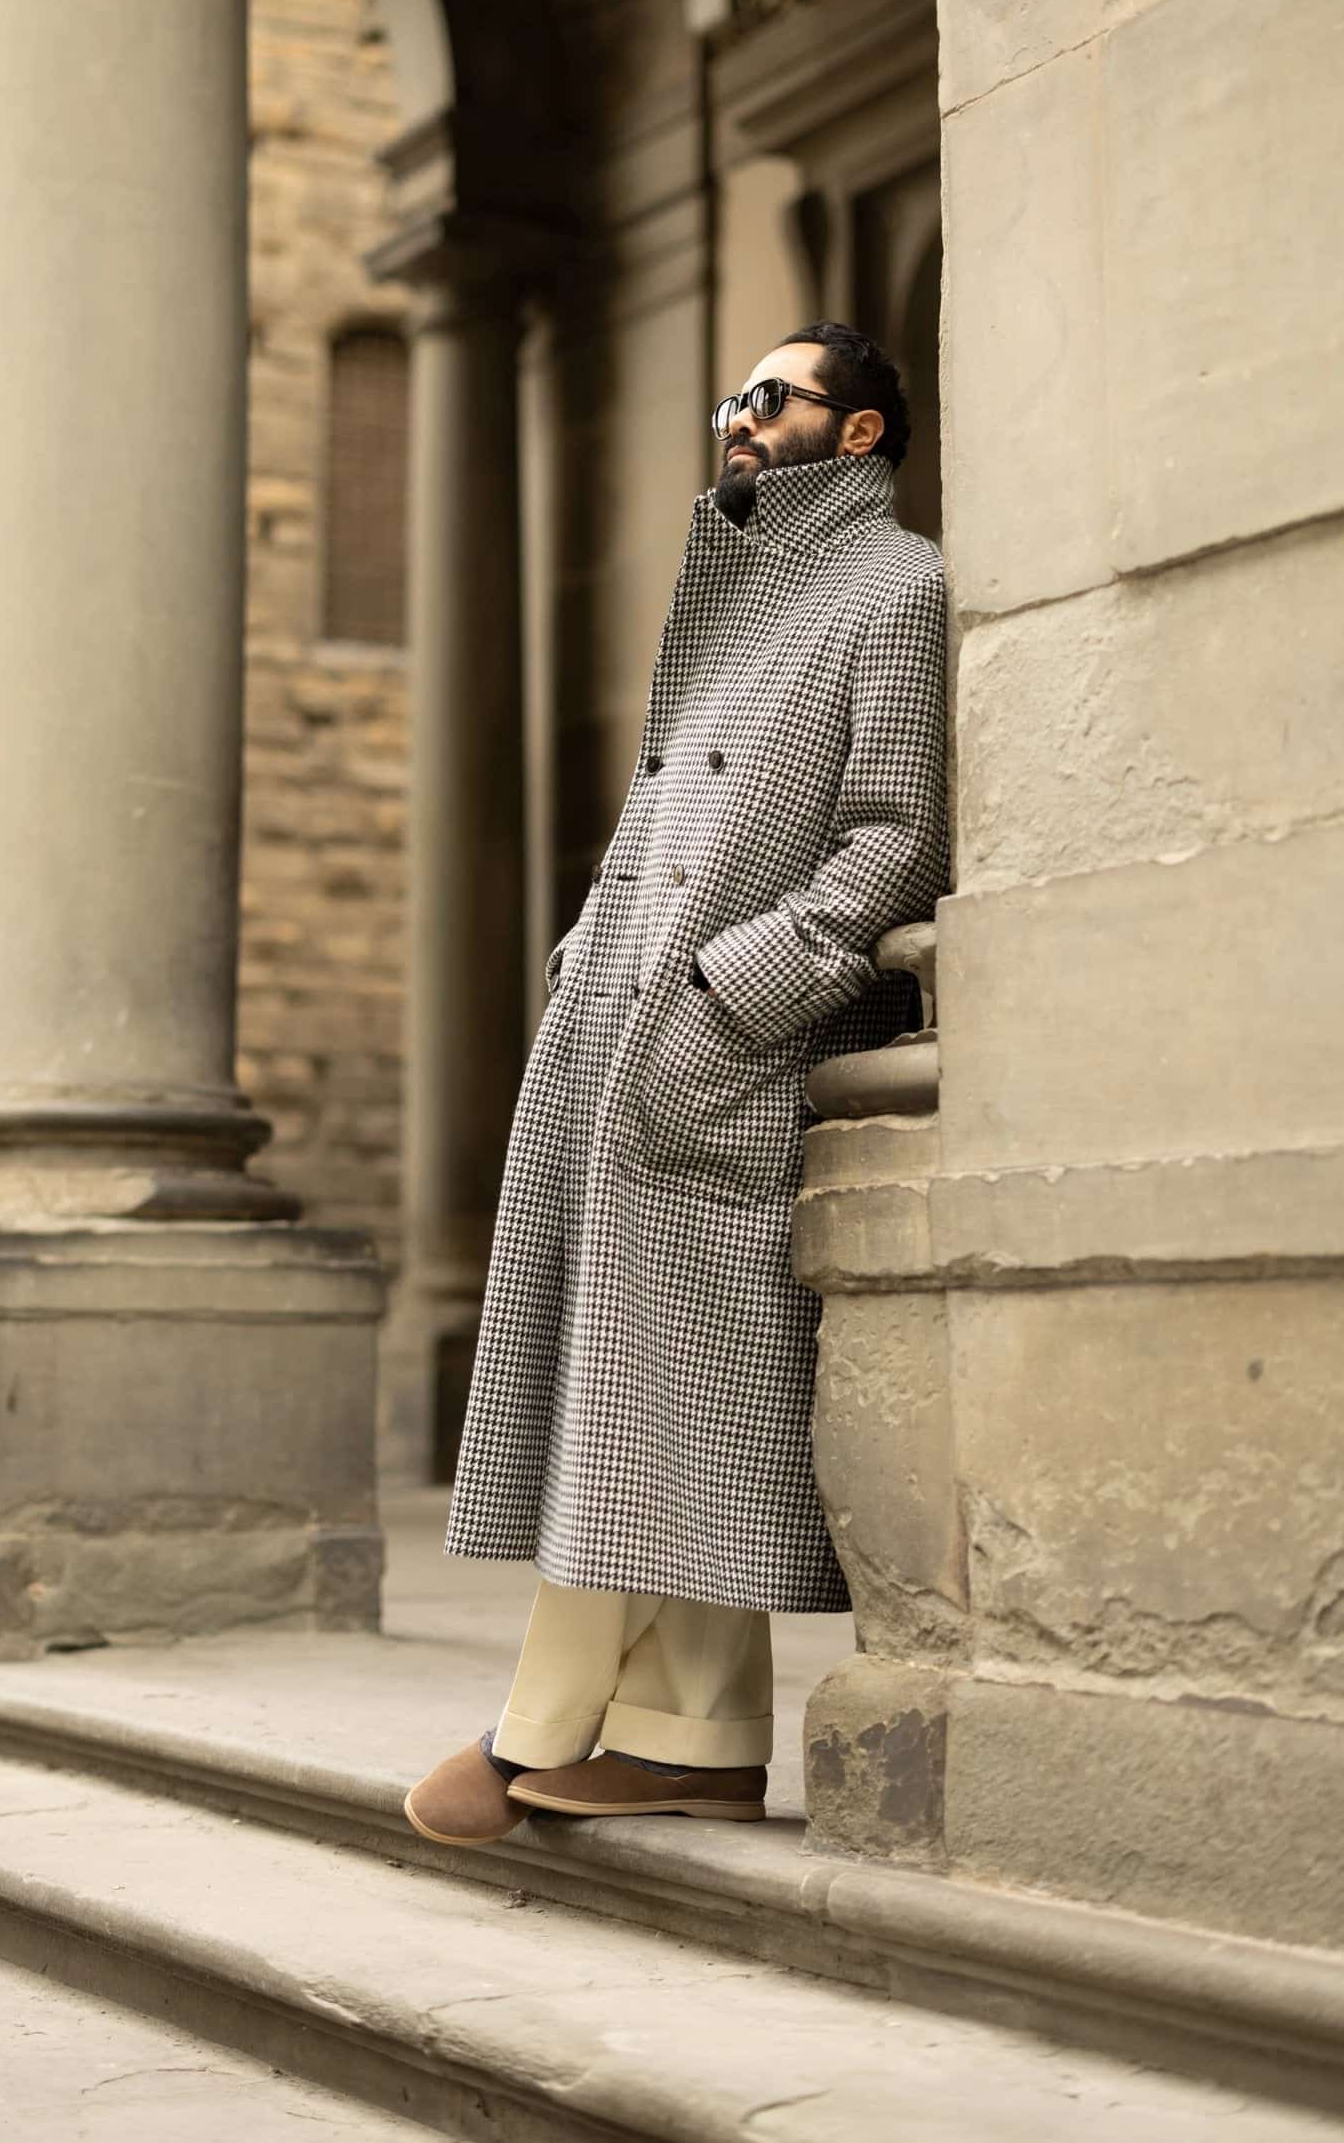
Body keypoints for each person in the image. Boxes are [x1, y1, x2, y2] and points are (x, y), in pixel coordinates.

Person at [405, 321, 950, 1846]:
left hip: (724, 1051)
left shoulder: (894, 591)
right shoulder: (735, 594)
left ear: (858, 436)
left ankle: (539, 1733)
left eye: (769, 399)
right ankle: (687, 1741)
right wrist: (597, 960)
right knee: (643, 1411)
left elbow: (897, 837)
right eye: (732, 398)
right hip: (626, 1041)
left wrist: (728, 994)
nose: (737, 420)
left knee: (652, 1414)